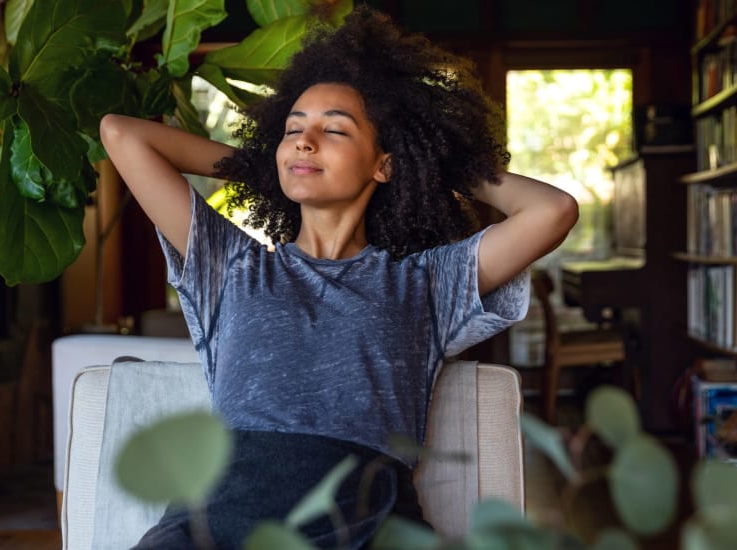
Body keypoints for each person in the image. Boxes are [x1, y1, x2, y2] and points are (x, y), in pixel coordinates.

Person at [99, 7, 578, 549]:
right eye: (293, 129)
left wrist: (433, 164)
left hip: (362, 525)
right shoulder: (232, 266)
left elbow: (553, 211)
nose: (305, 141)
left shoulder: (425, 283)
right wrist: (267, 168)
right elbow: (121, 135)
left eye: (334, 130)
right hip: (215, 519)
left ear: (383, 164)